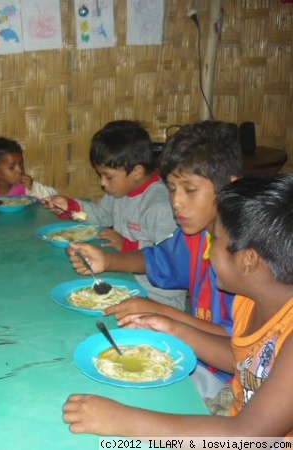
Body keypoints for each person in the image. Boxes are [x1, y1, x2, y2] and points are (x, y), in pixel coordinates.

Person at [63, 174, 293, 437]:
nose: (207, 251)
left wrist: (122, 420)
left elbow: (247, 435)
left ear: (247, 261)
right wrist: (172, 328)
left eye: (214, 239)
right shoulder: (249, 300)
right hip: (235, 416)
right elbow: (241, 359)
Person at [66, 121, 242, 401]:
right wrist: (108, 261)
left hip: (231, 385)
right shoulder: (196, 237)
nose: (176, 202)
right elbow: (156, 259)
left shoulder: (247, 260)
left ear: (230, 187)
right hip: (197, 360)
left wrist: (168, 320)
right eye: (172, 189)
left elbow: (242, 353)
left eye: (190, 190)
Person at [42, 120, 186, 310]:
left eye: (108, 177)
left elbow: (170, 260)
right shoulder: (119, 193)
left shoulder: (160, 205)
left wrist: (127, 245)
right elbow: (101, 215)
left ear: (137, 172)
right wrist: (70, 206)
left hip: (159, 299)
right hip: (124, 283)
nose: (102, 183)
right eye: (100, 175)